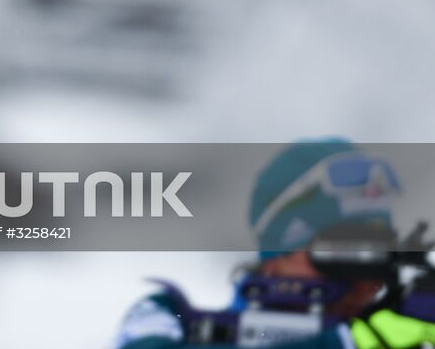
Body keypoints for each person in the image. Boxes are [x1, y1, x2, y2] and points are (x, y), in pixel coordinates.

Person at [112, 139, 435, 349]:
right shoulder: (165, 324)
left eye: (379, 253)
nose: (365, 280)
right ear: (277, 255)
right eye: (343, 252)